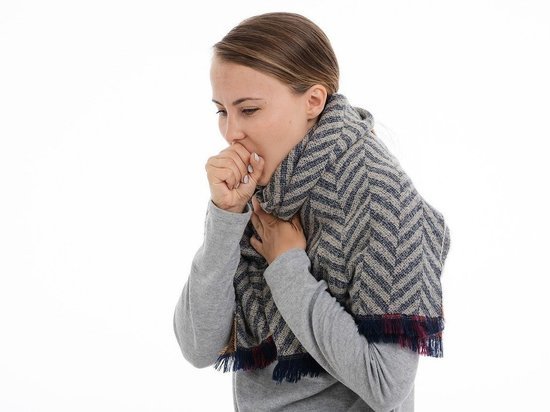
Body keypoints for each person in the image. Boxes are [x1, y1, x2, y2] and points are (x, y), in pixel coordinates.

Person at [173, 12, 451, 412]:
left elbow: (386, 384)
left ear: (314, 101)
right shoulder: (266, 190)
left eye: (248, 110)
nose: (231, 132)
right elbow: (198, 346)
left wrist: (286, 266)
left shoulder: (382, 198)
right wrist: (225, 216)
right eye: (221, 111)